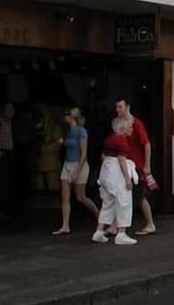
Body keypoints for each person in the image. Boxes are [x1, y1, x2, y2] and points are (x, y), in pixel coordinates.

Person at [52, 107, 99, 235]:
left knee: (80, 197)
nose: (65, 117)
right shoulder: (68, 131)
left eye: (67, 114)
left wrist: (78, 171)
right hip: (67, 163)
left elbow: (83, 153)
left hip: (79, 164)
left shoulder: (81, 131)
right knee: (65, 196)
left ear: (73, 117)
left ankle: (100, 216)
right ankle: (65, 225)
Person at [91, 116, 138, 245]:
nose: (132, 129)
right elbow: (122, 160)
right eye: (130, 127)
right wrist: (127, 179)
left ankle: (99, 231)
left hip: (106, 171)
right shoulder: (122, 141)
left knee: (108, 203)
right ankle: (121, 233)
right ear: (122, 129)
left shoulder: (109, 140)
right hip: (116, 172)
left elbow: (103, 156)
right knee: (124, 201)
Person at [114, 97, 157, 235]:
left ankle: (150, 223)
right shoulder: (121, 124)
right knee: (129, 195)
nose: (118, 110)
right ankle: (117, 224)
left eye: (120, 107)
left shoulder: (136, 124)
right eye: (116, 107)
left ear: (127, 107)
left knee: (139, 196)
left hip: (136, 164)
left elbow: (147, 144)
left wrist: (147, 165)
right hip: (126, 163)